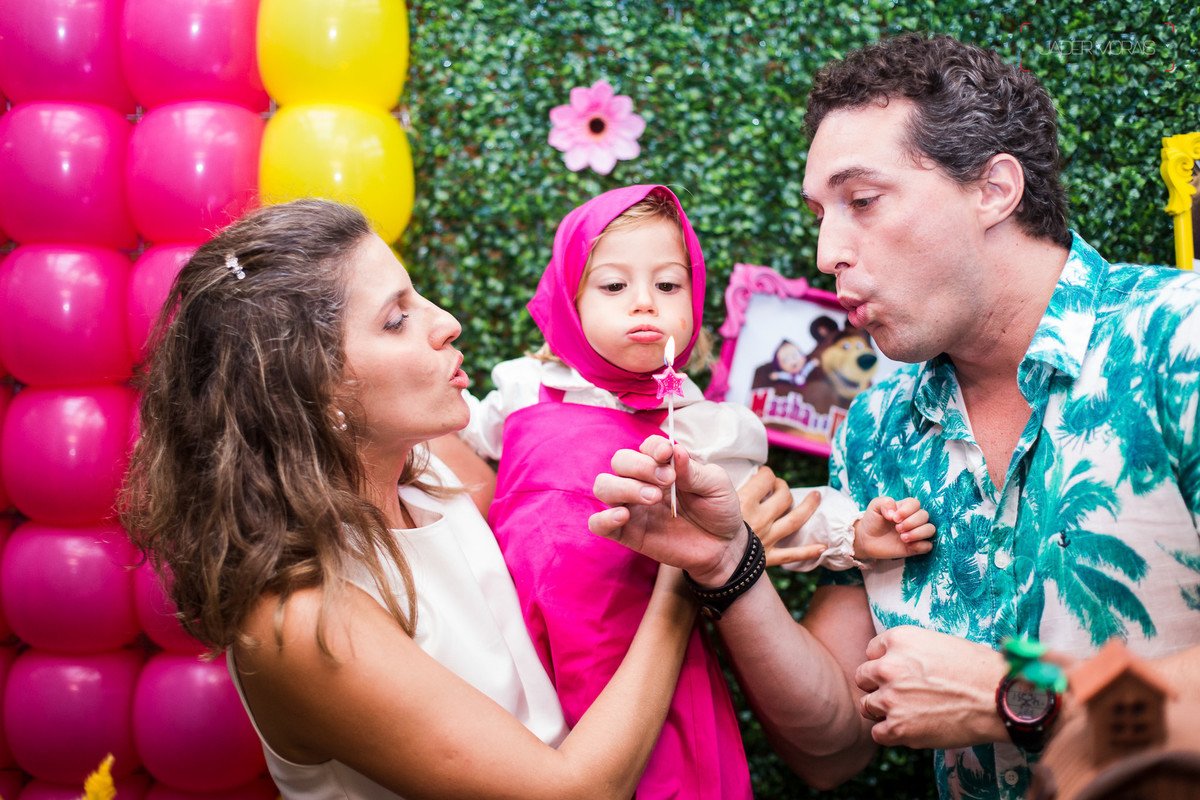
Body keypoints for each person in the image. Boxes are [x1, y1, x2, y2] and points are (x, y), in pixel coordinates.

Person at [586, 32, 1200, 800]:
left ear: (993, 189)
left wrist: (1022, 699)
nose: (826, 251)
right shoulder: (879, 426)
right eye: (821, 213)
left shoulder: (1178, 341)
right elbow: (834, 744)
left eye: (863, 201)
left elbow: (1009, 700)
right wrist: (727, 567)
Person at [119, 198, 704, 800]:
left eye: (417, 295)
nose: (447, 322)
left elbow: (533, 517)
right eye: (396, 319)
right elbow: (574, 794)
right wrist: (686, 577)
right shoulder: (302, 619)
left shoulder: (424, 463)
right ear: (311, 386)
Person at [457, 184, 934, 798]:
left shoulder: (697, 427)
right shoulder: (524, 389)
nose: (644, 303)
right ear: (569, 300)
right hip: (517, 640)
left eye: (668, 285)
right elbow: (466, 431)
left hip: (634, 659)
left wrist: (855, 534)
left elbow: (765, 509)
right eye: (613, 286)